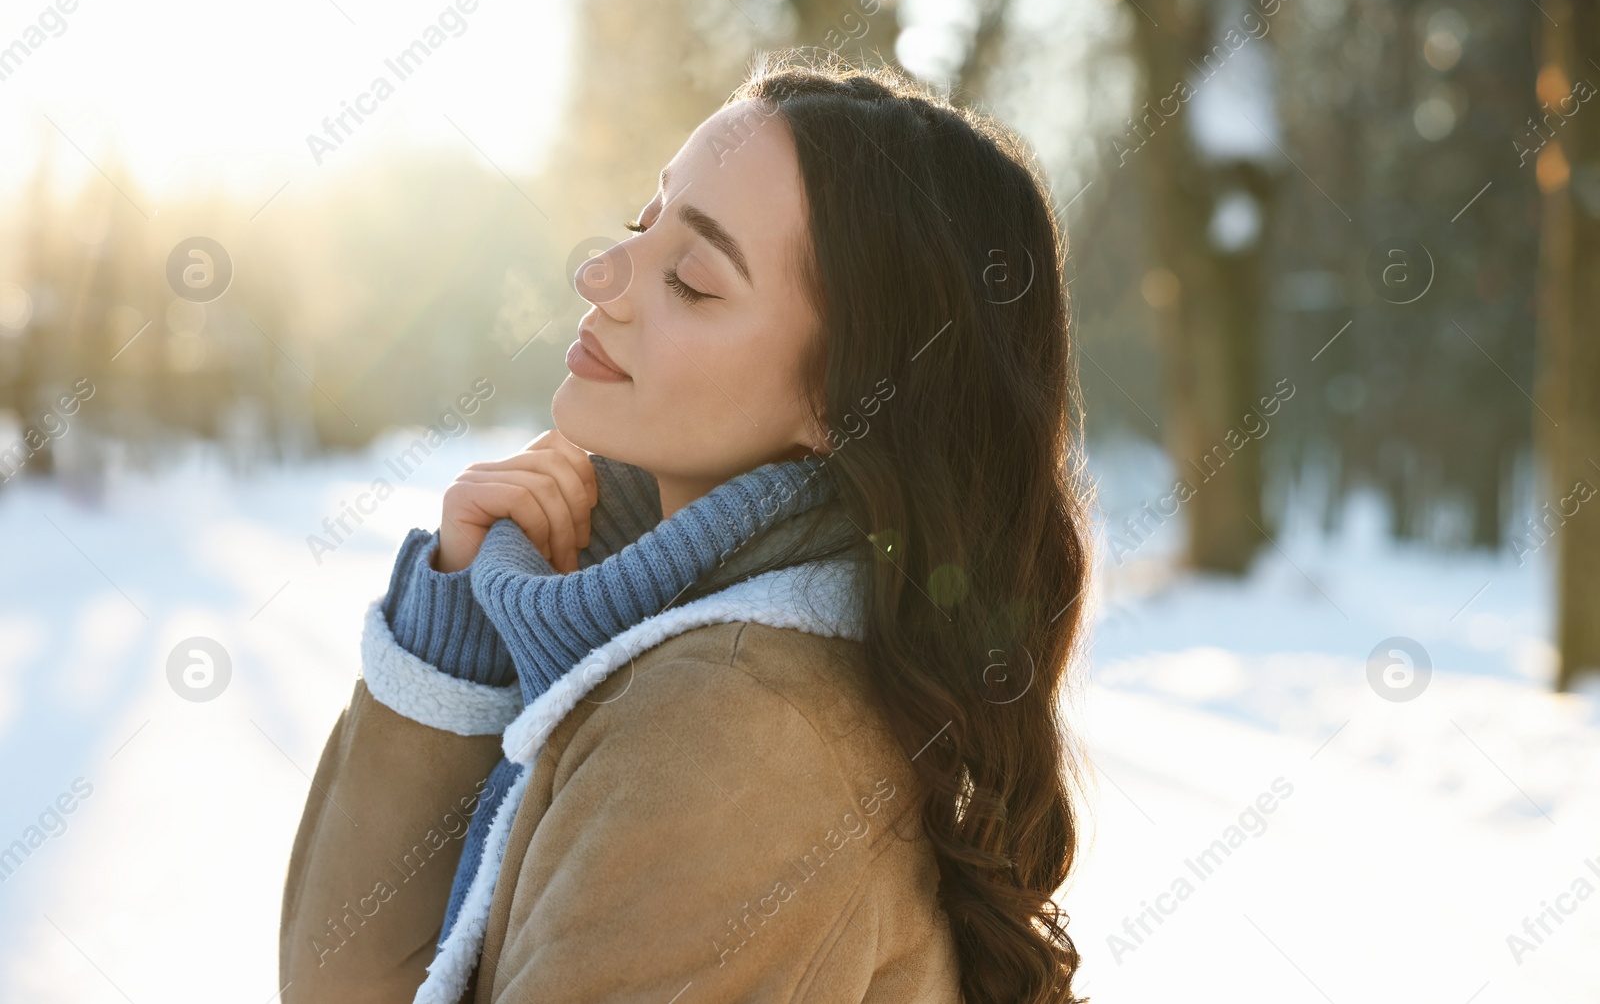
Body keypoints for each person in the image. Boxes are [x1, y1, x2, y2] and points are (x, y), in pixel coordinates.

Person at [278, 51, 1093, 1004]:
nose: (600, 274)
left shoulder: (728, 736)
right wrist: (455, 647)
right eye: (642, 223)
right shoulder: (676, 651)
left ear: (848, 402)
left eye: (694, 282)